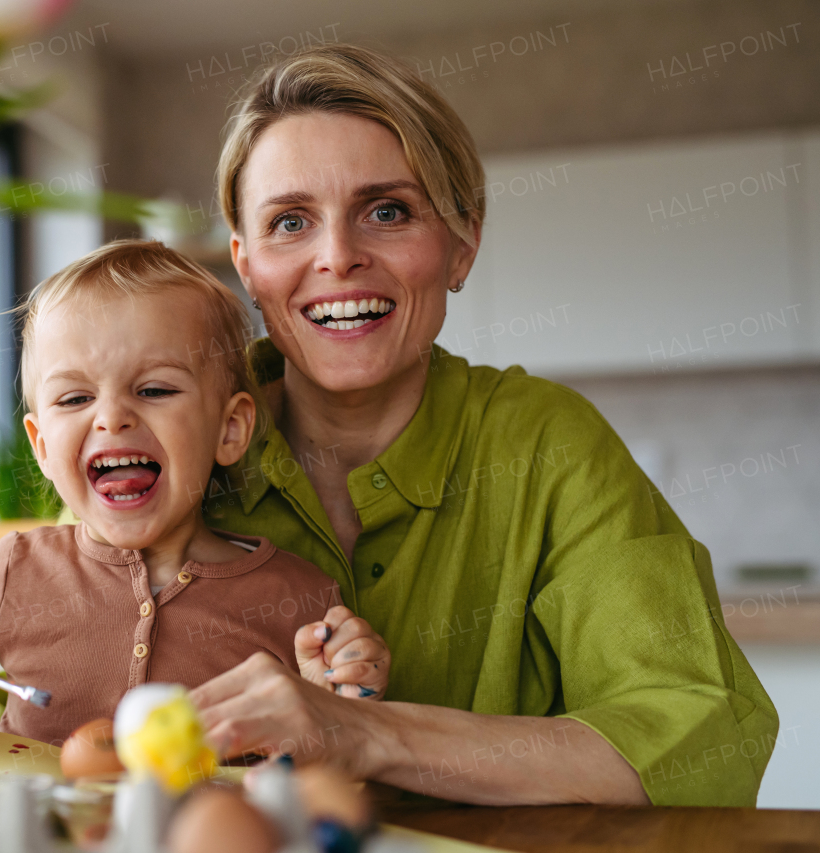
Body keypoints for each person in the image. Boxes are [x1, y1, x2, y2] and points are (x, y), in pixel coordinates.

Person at [187, 43, 777, 807]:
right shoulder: (174, 437)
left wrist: (372, 733)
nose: (337, 257)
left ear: (463, 241)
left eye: (387, 211)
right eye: (290, 221)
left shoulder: (547, 445)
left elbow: (702, 734)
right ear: (246, 266)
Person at [0, 240, 391, 750]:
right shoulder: (13, 573)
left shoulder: (300, 598)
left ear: (229, 429)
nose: (111, 418)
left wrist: (337, 699)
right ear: (40, 445)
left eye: (155, 390)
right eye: (74, 398)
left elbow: (328, 777)